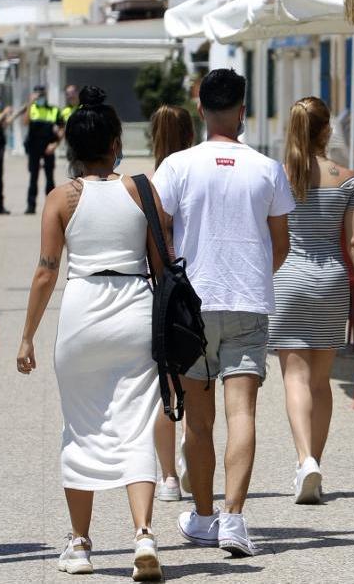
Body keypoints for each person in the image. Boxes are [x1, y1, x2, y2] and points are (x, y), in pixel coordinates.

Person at [14, 87, 164, 581]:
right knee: (137, 425)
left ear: (72, 149)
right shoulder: (142, 189)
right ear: (116, 142)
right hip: (134, 308)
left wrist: (27, 336)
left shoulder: (61, 198)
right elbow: (162, 264)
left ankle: (79, 544)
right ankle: (143, 534)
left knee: (81, 426)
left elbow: (45, 272)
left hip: (83, 312)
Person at [152, 68, 294, 557]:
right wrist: (252, 272)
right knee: (243, 414)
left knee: (198, 421)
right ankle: (234, 519)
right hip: (248, 301)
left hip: (193, 304)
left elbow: (159, 232)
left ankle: (205, 515)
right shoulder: (267, 169)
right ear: (242, 110)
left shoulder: (176, 166)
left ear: (199, 109)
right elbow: (281, 245)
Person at [271, 97, 354, 504]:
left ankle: (305, 461)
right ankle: (314, 459)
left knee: (294, 377)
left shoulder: (279, 177)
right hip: (331, 281)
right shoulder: (348, 179)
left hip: (288, 278)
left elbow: (271, 239)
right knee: (320, 381)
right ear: (326, 131)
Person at [146, 104, 198, 504]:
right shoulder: (198, 173)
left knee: (164, 384)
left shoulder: (147, 185)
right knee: (199, 380)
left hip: (162, 290)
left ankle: (167, 478)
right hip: (199, 287)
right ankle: (193, 452)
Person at [21, 85, 66, 215]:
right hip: (34, 148)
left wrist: (55, 145)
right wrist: (29, 103)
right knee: (33, 177)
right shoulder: (31, 109)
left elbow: (62, 128)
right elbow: (24, 122)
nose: (40, 97)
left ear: (46, 95)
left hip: (48, 147)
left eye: (42, 95)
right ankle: (31, 206)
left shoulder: (54, 110)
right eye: (37, 95)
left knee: (50, 178)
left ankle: (52, 207)